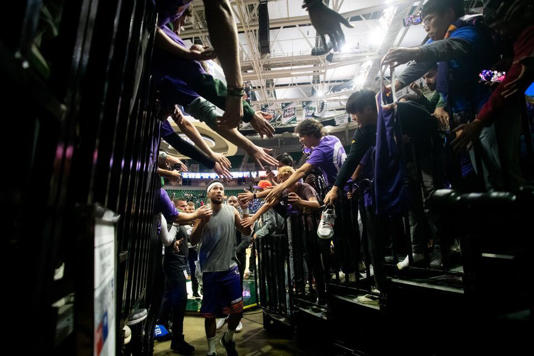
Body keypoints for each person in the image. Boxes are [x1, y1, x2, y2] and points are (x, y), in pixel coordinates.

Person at [382, 0, 502, 190]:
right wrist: (394, 85)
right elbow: (421, 63)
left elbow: (452, 47)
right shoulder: (439, 39)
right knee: (487, 176)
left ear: (448, 13)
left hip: (490, 110)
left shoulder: (468, 31)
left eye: (430, 19)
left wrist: (416, 51)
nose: (426, 27)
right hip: (466, 118)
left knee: (501, 168)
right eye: (423, 23)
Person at [452, 0, 534, 189]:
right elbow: (510, 75)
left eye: (502, 27)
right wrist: (501, 71)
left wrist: (478, 121)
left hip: (500, 110)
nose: (502, 33)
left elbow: (513, 81)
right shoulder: (515, 42)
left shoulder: (528, 35)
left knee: (508, 173)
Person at [191, 181, 252, 356]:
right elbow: (193, 240)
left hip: (230, 268)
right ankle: (211, 350)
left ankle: (228, 337)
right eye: (215, 189)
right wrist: (202, 222)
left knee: (238, 310)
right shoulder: (201, 213)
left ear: (224, 194)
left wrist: (245, 210)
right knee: (210, 314)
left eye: (221, 189)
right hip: (210, 270)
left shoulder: (232, 210)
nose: (219, 191)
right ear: (208, 194)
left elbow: (246, 232)